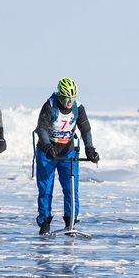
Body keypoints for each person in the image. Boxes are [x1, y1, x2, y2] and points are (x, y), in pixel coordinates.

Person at [34, 77, 99, 235]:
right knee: (46, 188)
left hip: (68, 151)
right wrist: (48, 145)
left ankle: (71, 221)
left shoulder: (79, 108)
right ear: (60, 95)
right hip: (47, 152)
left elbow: (85, 130)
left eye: (72, 98)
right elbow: (41, 129)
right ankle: (44, 222)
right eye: (66, 98)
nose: (69, 102)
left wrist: (89, 149)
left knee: (71, 188)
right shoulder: (49, 106)